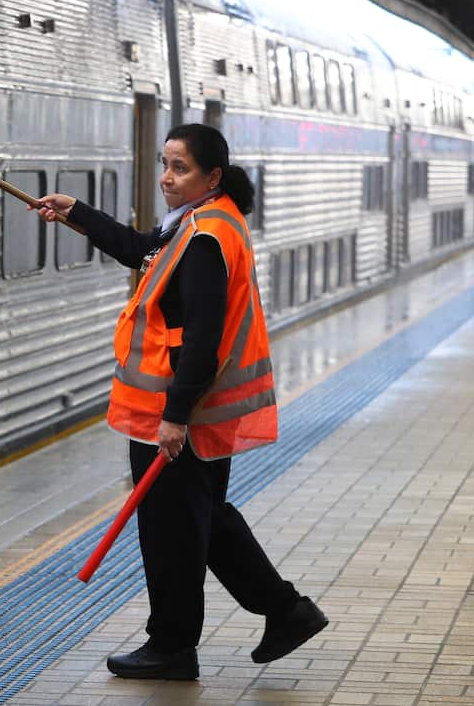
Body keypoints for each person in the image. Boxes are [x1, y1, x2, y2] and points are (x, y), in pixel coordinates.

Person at [34, 123, 327, 681]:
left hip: (177, 418)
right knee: (204, 520)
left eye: (180, 168)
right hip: (193, 416)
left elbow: (203, 339)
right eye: (164, 164)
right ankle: (286, 611)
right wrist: (77, 212)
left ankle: (172, 646)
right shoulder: (200, 223)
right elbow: (142, 250)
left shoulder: (204, 239)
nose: (167, 177)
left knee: (173, 530)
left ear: (212, 176)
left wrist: (173, 418)